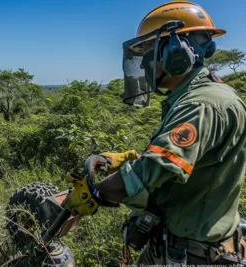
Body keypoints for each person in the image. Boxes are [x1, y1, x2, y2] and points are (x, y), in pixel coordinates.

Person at [63, 1, 246, 265]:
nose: (144, 63)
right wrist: (130, 158)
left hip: (192, 255)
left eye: (149, 53)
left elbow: (145, 175)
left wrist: (92, 194)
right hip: (175, 246)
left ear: (176, 51)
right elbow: (186, 164)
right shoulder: (196, 97)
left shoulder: (202, 104)